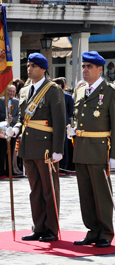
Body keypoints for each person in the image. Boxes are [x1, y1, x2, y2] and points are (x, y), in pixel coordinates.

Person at [6, 53, 66, 242]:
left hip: (46, 147)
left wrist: (58, 149)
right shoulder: (24, 90)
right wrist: (15, 130)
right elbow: (23, 119)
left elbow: (59, 121)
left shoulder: (53, 90)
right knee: (35, 190)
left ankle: (51, 229)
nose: (29, 68)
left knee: (49, 189)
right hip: (28, 146)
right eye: (28, 65)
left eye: (33, 66)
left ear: (43, 69)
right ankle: (38, 227)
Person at [69, 51, 115, 248]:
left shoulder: (111, 91)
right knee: (85, 194)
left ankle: (105, 232)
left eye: (89, 67)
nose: (85, 70)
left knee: (102, 194)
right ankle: (92, 230)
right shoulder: (80, 91)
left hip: (100, 150)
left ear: (100, 69)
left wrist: (113, 156)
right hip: (81, 149)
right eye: (84, 66)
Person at [0, 84, 19, 176]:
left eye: (13, 92)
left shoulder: (17, 102)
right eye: (10, 91)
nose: (11, 93)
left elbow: (18, 115)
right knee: (1, 150)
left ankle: (10, 171)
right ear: (6, 92)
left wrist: (12, 119)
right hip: (1, 129)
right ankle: (0, 171)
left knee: (10, 150)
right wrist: (5, 117)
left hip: (12, 129)